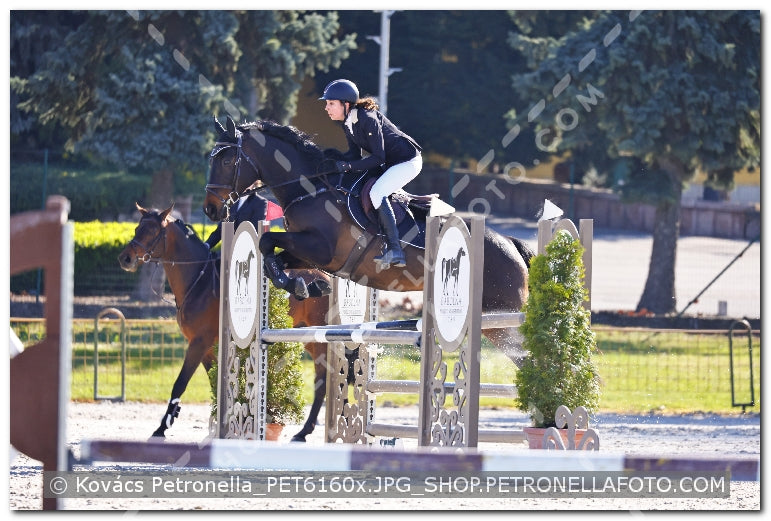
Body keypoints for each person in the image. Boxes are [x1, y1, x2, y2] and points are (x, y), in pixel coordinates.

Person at [320, 78, 422, 269]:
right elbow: (354, 155)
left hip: (407, 162)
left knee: (377, 193)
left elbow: (377, 157)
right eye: (327, 103)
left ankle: (395, 249)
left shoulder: (367, 118)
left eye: (331, 103)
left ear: (346, 104)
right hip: (391, 163)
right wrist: (334, 163)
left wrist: (348, 166)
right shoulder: (348, 122)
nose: (327, 108)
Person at [204, 192, 282, 250]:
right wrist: (207, 245)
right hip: (227, 253)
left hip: (248, 255)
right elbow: (220, 230)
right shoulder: (230, 202)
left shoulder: (261, 203)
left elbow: (255, 232)